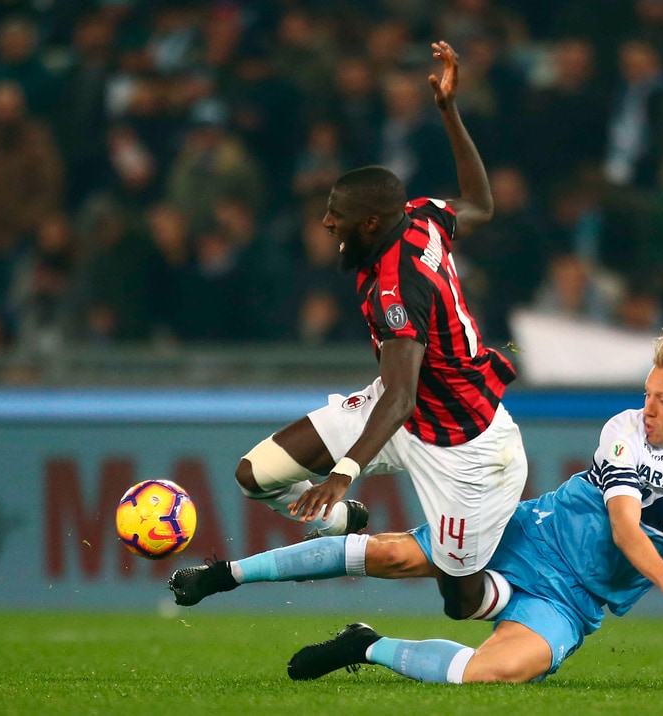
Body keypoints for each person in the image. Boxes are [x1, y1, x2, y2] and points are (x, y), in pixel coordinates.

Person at [169, 321, 663, 687]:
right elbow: (625, 526)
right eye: (647, 392)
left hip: (576, 603)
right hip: (525, 535)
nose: (647, 407)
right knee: (396, 556)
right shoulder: (625, 430)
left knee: (494, 673)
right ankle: (224, 574)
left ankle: (366, 645)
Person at [185, 41, 528, 624]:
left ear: (370, 223)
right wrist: (449, 111)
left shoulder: (398, 286)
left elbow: (401, 395)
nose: (326, 223)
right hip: (404, 409)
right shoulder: (420, 215)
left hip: (463, 444)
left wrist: (344, 474)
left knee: (462, 603)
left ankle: (536, 591)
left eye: (336, 216)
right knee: (255, 475)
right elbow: (480, 204)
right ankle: (346, 523)